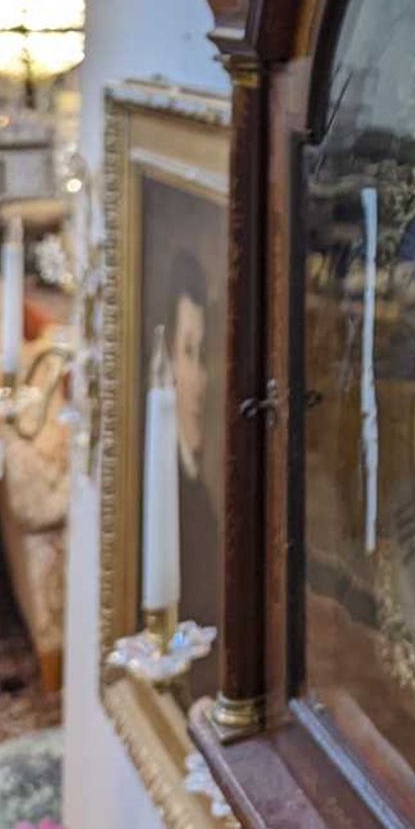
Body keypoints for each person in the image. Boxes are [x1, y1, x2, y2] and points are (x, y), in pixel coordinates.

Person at [166, 247, 220, 697]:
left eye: (202, 353)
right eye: (187, 352)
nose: (200, 377)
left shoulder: (197, 494)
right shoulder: (166, 497)